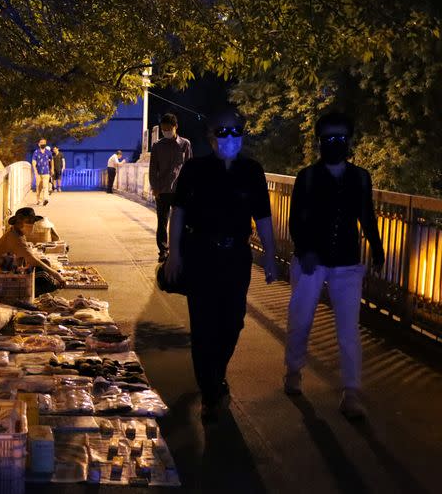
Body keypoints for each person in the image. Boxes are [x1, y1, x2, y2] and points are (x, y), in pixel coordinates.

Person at [163, 107, 278, 423]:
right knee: (203, 327)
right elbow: (179, 213)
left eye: (235, 132)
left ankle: (216, 375)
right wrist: (174, 255)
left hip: (236, 257)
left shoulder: (252, 171)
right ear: (211, 138)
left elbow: (263, 217)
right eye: (222, 132)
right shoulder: (195, 170)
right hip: (201, 254)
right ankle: (211, 394)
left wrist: (270, 256)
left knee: (233, 322)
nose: (229, 138)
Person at [284, 112, 385, 420]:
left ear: (349, 141)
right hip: (311, 261)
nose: (335, 144)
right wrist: (305, 250)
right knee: (300, 319)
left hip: (346, 261)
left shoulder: (360, 177)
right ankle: (293, 370)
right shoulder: (307, 177)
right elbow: (296, 219)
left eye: (341, 138)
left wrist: (377, 248)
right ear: (319, 142)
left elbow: (366, 215)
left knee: (348, 330)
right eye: (329, 139)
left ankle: (351, 391)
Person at [150, 113, 193, 262]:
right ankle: (163, 251)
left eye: (168, 128)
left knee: (180, 222)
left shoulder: (185, 144)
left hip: (179, 190)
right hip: (162, 190)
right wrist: (154, 187)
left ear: (176, 127)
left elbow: (189, 167)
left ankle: (178, 250)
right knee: (162, 222)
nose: (166, 131)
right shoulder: (157, 146)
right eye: (163, 129)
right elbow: (152, 168)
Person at [0, 207, 65, 294]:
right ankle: (25, 295)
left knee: (45, 264)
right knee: (48, 281)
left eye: (32, 222)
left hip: (14, 269)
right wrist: (56, 275)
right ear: (18, 222)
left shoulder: (18, 233)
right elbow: (32, 260)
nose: (31, 225)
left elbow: (26, 257)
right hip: (4, 278)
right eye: (28, 222)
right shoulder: (14, 238)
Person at [32, 139, 53, 206]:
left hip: (46, 172)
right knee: (39, 187)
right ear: (39, 144)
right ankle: (39, 200)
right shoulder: (36, 152)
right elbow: (33, 161)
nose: (43, 143)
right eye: (41, 142)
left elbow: (51, 160)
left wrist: (52, 168)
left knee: (45, 186)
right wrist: (35, 170)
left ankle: (46, 199)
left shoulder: (48, 152)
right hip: (38, 172)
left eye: (44, 142)